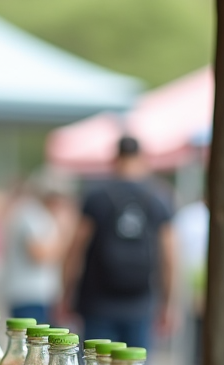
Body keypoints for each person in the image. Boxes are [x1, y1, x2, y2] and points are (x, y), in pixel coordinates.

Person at [62, 136, 174, 349]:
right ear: (141, 158)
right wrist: (168, 305)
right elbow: (169, 258)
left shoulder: (97, 197)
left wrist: (66, 294)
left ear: (115, 159)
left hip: (98, 304)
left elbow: (75, 250)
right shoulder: (158, 198)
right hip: (141, 304)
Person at [4, 175, 69, 324]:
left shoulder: (37, 214)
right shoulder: (31, 214)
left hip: (38, 296)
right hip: (29, 295)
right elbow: (39, 254)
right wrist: (64, 234)